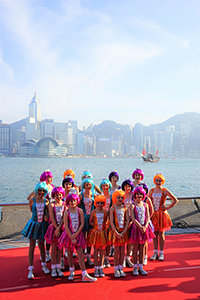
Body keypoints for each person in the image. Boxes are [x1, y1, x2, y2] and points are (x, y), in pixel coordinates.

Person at [59, 193, 97, 282]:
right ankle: (71, 270)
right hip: (69, 235)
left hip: (78, 235)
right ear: (68, 202)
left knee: (80, 254)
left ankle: (84, 273)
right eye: (71, 201)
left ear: (77, 201)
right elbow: (66, 225)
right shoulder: (66, 212)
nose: (73, 203)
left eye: (74, 201)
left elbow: (82, 224)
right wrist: (71, 236)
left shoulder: (80, 211)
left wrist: (75, 235)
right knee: (69, 252)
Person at [22, 182, 50, 279]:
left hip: (42, 225)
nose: (41, 192)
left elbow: (46, 213)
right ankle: (30, 269)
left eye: (43, 190)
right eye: (39, 190)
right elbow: (32, 211)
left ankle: (44, 265)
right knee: (32, 246)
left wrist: (46, 216)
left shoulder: (46, 201)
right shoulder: (32, 200)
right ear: (36, 190)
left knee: (42, 246)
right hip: (34, 225)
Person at [149, 174, 179, 261]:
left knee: (161, 234)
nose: (158, 182)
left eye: (160, 181)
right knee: (154, 234)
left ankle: (161, 252)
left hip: (162, 215)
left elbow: (175, 200)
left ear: (162, 182)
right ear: (154, 181)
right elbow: (148, 201)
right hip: (154, 215)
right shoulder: (151, 191)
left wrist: (167, 207)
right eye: (157, 180)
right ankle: (155, 252)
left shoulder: (164, 190)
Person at [27, 170, 54, 262]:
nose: (50, 179)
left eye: (51, 177)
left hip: (49, 213)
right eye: (49, 177)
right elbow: (29, 199)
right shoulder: (39, 188)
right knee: (34, 243)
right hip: (37, 218)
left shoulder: (52, 187)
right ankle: (35, 263)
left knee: (47, 238)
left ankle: (46, 254)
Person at [130, 187, 155, 276]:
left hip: (144, 229)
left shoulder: (146, 205)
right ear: (135, 195)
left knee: (142, 249)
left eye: (141, 194)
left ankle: (141, 267)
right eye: (137, 194)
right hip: (136, 229)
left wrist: (145, 226)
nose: (139, 196)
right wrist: (140, 226)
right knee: (135, 249)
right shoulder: (132, 205)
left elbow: (148, 216)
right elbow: (133, 218)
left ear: (143, 195)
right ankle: (135, 267)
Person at [45, 187, 66, 277]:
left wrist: (60, 227)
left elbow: (64, 218)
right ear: (54, 196)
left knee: (60, 249)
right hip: (53, 228)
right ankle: (53, 267)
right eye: (56, 195)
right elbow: (52, 217)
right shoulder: (51, 205)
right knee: (53, 248)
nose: (58, 197)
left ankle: (58, 266)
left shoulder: (64, 204)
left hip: (61, 228)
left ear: (62, 195)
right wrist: (56, 228)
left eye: (60, 195)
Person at [109, 190, 129, 278]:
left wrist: (124, 231)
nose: (120, 199)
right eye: (118, 197)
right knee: (116, 251)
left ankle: (121, 267)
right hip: (116, 232)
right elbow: (111, 221)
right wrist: (116, 232)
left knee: (122, 250)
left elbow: (128, 220)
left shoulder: (125, 208)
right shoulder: (112, 208)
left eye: (121, 197)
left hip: (123, 232)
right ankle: (116, 268)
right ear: (115, 198)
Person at [87, 195, 109, 277]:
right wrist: (95, 226)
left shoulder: (105, 212)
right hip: (96, 233)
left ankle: (101, 267)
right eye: (98, 203)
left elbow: (107, 221)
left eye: (101, 203)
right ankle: (96, 267)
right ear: (96, 203)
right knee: (96, 250)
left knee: (103, 251)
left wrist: (104, 227)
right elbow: (90, 222)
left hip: (103, 233)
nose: (100, 205)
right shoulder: (93, 212)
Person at [79, 178, 96, 265]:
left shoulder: (94, 194)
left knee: (89, 238)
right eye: (86, 185)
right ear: (84, 185)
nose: (88, 186)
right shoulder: (81, 195)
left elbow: (96, 206)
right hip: (83, 218)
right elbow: (78, 207)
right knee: (82, 237)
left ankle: (88, 256)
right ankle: (81, 257)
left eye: (90, 185)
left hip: (91, 218)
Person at [138, 182, 154, 265]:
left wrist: (147, 220)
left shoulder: (147, 199)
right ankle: (139, 256)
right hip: (138, 223)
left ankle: (145, 256)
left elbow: (151, 210)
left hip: (146, 223)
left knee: (145, 241)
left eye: (143, 189)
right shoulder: (136, 200)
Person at [99, 178, 112, 267]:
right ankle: (102, 259)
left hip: (109, 219)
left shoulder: (112, 196)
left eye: (106, 186)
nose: (105, 187)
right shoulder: (99, 196)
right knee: (102, 240)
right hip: (101, 219)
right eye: (103, 186)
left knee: (109, 240)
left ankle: (107, 258)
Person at [121, 179, 134, 268]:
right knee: (122, 240)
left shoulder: (134, 195)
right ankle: (122, 259)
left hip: (132, 219)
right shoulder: (121, 195)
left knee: (130, 241)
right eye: (126, 186)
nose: (127, 188)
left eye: (129, 186)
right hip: (122, 220)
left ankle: (128, 257)